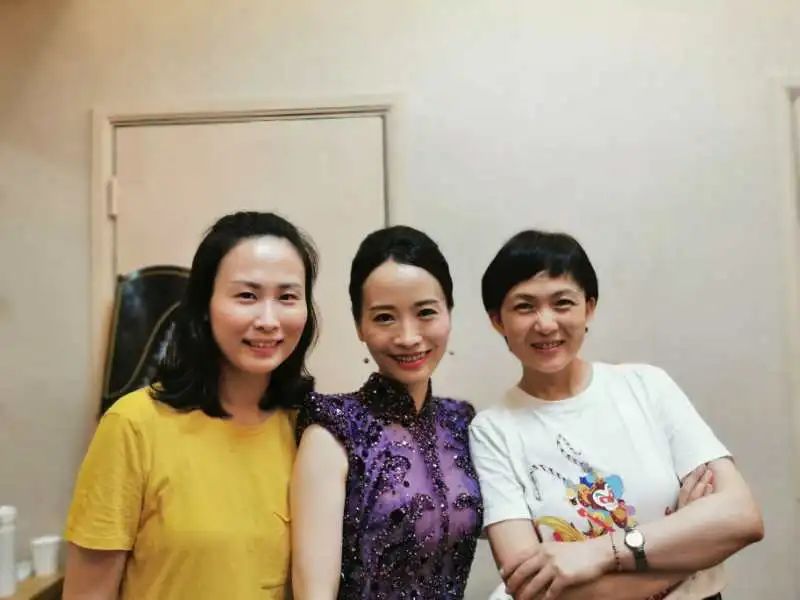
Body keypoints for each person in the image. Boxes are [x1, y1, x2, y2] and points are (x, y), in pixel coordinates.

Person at [470, 229, 763, 600]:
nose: (545, 324)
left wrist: (599, 553)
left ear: (589, 308)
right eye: (524, 307)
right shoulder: (492, 430)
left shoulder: (646, 385)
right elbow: (533, 589)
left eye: (563, 303)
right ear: (498, 320)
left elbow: (743, 517)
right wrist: (691, 553)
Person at [63, 211, 319, 600]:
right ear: (204, 305)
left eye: (287, 297)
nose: (269, 320)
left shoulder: (314, 430)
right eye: (247, 296)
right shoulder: (134, 425)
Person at [291, 226, 483, 599]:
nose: (408, 337)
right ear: (359, 325)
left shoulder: (461, 423)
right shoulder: (332, 429)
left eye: (425, 312)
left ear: (449, 312)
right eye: (384, 318)